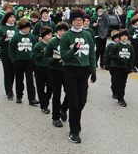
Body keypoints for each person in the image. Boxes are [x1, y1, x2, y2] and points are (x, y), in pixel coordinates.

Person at [59, 8, 97, 143]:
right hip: (70, 70)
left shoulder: (87, 35)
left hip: (84, 70)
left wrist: (93, 71)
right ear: (71, 22)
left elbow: (92, 54)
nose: (78, 22)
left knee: (82, 101)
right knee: (74, 102)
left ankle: (64, 109)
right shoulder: (66, 36)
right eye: (75, 20)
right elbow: (64, 56)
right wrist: (74, 49)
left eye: (80, 20)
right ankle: (74, 131)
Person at [44, 22, 70, 128]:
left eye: (64, 31)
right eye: (60, 31)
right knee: (56, 94)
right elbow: (46, 57)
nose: (62, 33)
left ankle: (63, 108)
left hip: (67, 70)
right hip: (55, 71)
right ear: (56, 32)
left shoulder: (70, 41)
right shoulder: (52, 43)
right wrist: (53, 60)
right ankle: (55, 117)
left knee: (70, 92)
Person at [8, 19, 38, 105]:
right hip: (19, 61)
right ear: (20, 28)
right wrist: (13, 60)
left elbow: (35, 48)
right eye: (25, 28)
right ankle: (19, 96)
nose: (27, 30)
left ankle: (32, 98)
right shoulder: (16, 37)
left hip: (29, 61)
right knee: (19, 79)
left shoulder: (31, 36)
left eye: (28, 28)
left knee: (30, 79)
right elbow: (11, 49)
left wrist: (34, 59)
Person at [106, 30, 134, 106]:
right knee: (118, 82)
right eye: (122, 36)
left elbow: (132, 57)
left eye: (126, 36)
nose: (124, 37)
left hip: (125, 67)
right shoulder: (116, 46)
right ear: (120, 37)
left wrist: (130, 66)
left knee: (123, 83)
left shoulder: (130, 47)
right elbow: (110, 55)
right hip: (117, 67)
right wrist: (117, 57)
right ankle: (120, 98)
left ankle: (121, 95)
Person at [0, 12, 17, 100]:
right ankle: (9, 91)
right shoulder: (1, 29)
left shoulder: (17, 28)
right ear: (6, 18)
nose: (12, 19)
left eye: (13, 17)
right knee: (7, 71)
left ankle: (10, 86)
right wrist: (3, 38)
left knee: (13, 72)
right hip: (5, 52)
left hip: (15, 53)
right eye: (10, 17)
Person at [32, 26, 53, 113]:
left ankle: (46, 99)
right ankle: (43, 106)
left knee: (51, 87)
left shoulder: (52, 44)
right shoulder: (38, 45)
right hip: (40, 68)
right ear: (43, 36)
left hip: (50, 68)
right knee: (40, 88)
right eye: (48, 35)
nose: (50, 36)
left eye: (51, 34)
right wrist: (42, 54)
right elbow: (33, 56)